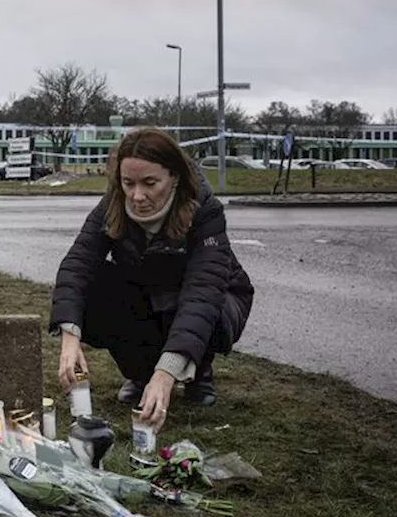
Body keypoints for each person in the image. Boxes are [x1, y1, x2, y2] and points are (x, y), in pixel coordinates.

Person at [49, 127, 254, 433]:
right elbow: (77, 264)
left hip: (215, 300)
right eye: (128, 183)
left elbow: (202, 295)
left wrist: (165, 376)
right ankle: (140, 374)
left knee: (193, 307)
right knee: (95, 288)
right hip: (150, 293)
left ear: (174, 178)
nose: (137, 196)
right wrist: (69, 338)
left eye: (150, 183)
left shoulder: (205, 211)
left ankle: (197, 373)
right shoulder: (112, 205)